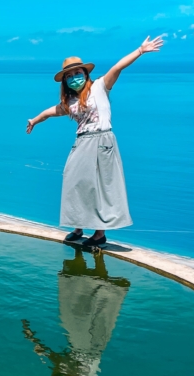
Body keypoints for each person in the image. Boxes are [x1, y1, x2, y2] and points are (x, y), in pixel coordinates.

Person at [26, 36, 163, 247]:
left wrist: (141, 50)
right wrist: (34, 120)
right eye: (69, 76)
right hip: (81, 143)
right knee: (75, 183)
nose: (74, 78)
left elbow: (117, 67)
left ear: (86, 73)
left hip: (102, 141)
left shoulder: (100, 87)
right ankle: (78, 227)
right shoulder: (70, 102)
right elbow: (50, 112)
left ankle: (100, 234)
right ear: (65, 81)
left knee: (100, 185)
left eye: (77, 73)